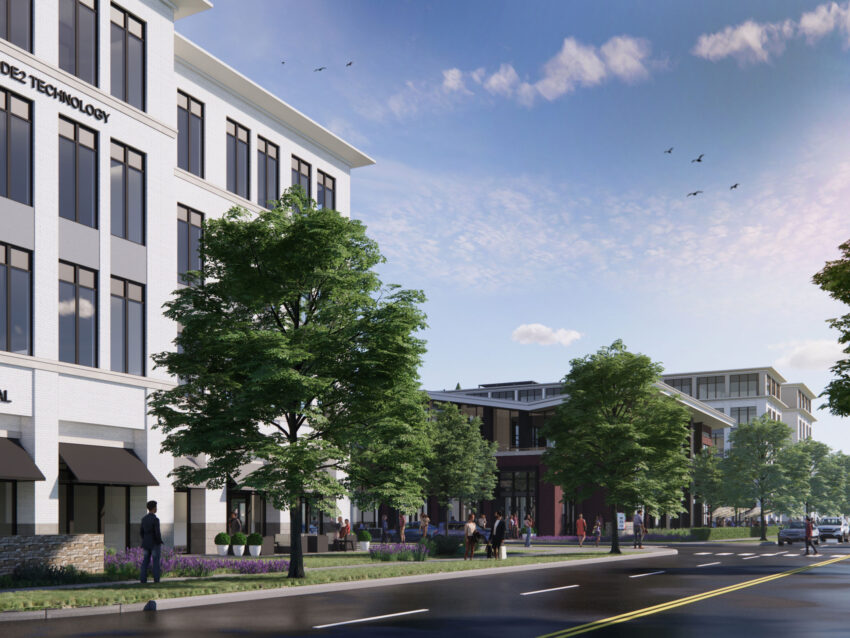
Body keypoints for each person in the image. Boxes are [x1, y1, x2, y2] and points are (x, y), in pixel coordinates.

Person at [140, 500, 163, 584]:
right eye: (156, 507)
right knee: (156, 562)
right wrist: (159, 541)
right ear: (154, 508)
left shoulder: (144, 519)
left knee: (145, 562)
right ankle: (156, 580)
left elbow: (141, 532)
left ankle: (143, 580)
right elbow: (157, 532)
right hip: (154, 543)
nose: (156, 508)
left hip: (146, 543)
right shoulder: (155, 519)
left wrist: (145, 539)